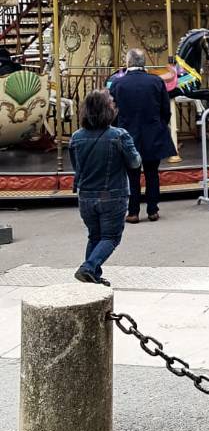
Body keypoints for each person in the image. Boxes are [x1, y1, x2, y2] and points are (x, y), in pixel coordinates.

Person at [70, 88, 141, 285]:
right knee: (110, 237)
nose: (114, 106)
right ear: (106, 110)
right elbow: (135, 162)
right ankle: (89, 267)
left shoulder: (76, 137)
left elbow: (77, 167)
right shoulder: (119, 135)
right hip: (113, 195)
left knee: (94, 236)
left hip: (86, 196)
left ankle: (93, 277)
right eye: (111, 104)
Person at [111, 48, 175, 223]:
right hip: (152, 133)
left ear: (128, 62)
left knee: (132, 175)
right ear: (143, 63)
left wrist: (117, 129)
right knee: (152, 173)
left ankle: (133, 212)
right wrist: (160, 124)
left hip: (127, 134)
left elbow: (114, 112)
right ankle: (153, 210)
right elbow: (165, 110)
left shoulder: (118, 84)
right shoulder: (156, 82)